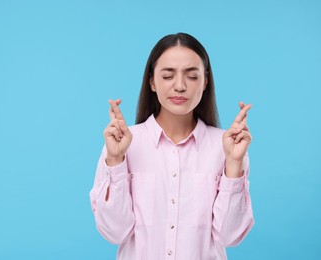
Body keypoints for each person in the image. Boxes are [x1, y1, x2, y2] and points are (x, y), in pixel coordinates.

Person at [89, 32, 254, 260]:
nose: (179, 86)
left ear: (205, 81)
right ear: (152, 82)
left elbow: (230, 237)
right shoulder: (122, 144)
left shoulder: (226, 147)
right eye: (168, 76)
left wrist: (234, 163)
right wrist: (116, 161)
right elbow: (115, 232)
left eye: (192, 76)